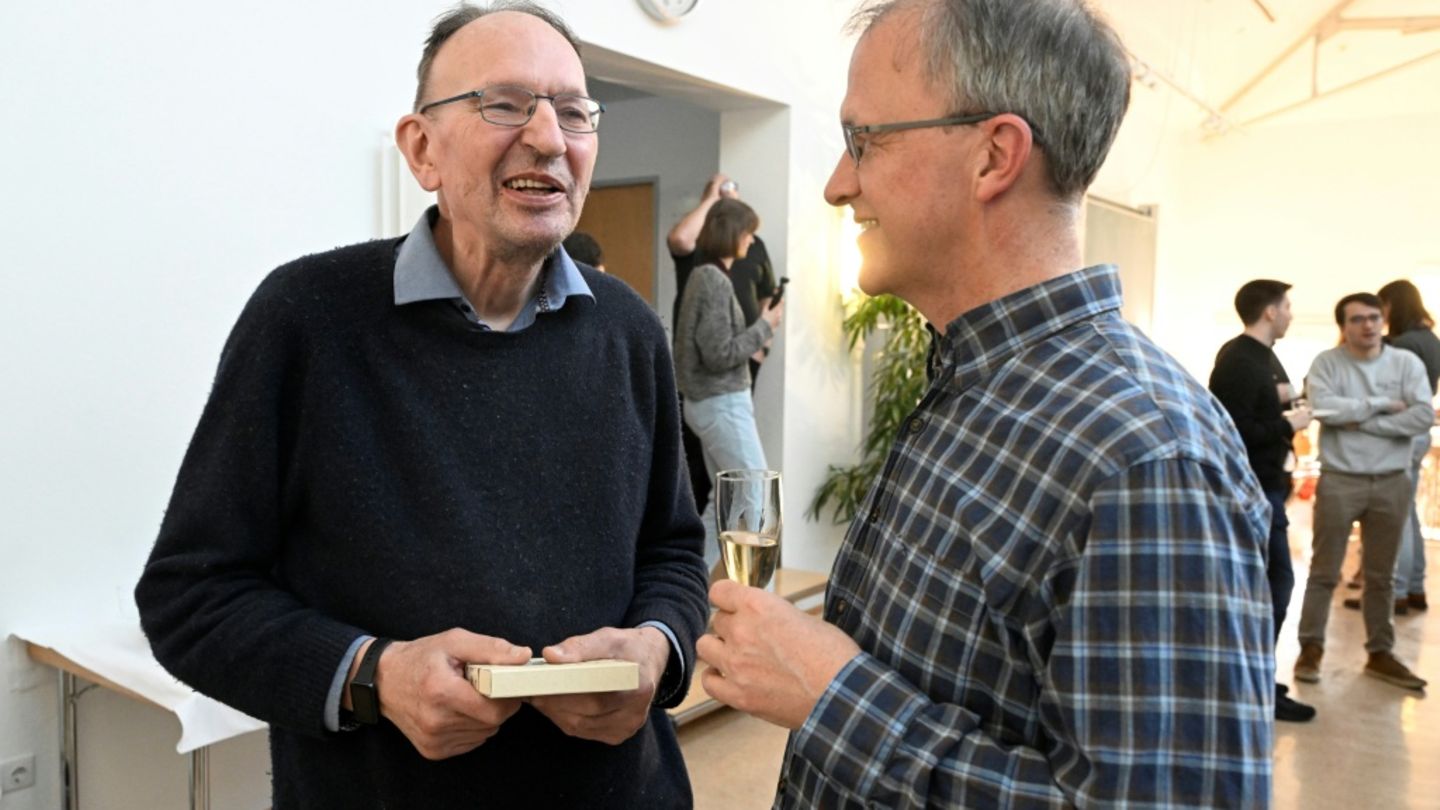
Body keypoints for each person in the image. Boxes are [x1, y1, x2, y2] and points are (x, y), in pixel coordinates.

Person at [697, 1, 1275, 806]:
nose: (837, 183)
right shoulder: (973, 382)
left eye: (864, 139)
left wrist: (834, 695)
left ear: (994, 155)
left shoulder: (1144, 459)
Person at [134, 4, 708, 807]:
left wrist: (657, 648)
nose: (549, 138)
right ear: (422, 148)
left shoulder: (631, 331)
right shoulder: (306, 319)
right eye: (503, 104)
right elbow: (189, 597)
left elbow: (675, 554)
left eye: (575, 111)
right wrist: (373, 675)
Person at [1293, 293, 1431, 692]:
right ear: (1344, 326)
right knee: (1324, 571)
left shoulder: (1406, 363)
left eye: (1374, 318)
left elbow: (1422, 415)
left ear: (1383, 321)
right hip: (1341, 480)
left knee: (1382, 576)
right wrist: (1385, 405)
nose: (1368, 326)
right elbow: (1326, 411)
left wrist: (1364, 422)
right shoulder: (1328, 364)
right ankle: (1311, 648)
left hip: (1392, 480)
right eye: (1357, 320)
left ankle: (1380, 653)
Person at [1208, 280, 1317, 722]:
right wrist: (1290, 424)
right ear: (1269, 312)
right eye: (1287, 306)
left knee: (1273, 586)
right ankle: (1253, 689)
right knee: (1273, 587)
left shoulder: (1262, 357)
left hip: (1269, 484)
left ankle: (1256, 681)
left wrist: (1289, 405)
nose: (1291, 313)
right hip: (1252, 489)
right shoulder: (1238, 359)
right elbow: (1234, 430)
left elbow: (1261, 406)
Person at [673, 198, 784, 570]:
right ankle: (741, 595)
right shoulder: (712, 280)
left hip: (712, 401)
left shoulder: (704, 276)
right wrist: (765, 326)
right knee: (755, 495)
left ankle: (691, 589)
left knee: (719, 504)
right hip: (720, 401)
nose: (752, 242)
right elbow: (719, 353)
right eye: (749, 233)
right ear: (734, 234)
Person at [1379, 279, 1439, 613]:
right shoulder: (1430, 339)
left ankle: (1397, 593)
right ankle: (1415, 586)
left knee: (1396, 515)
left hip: (1403, 431)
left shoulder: (1403, 345)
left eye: (1383, 306)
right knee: (1408, 511)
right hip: (1420, 430)